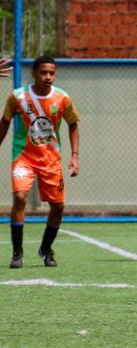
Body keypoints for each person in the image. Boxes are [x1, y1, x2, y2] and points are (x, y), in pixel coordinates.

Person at [0, 55, 80, 268]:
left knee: (58, 207)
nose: (47, 76)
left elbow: (73, 124)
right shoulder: (18, 96)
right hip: (23, 157)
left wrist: (74, 156)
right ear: (34, 73)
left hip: (51, 159)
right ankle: (17, 252)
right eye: (43, 72)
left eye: (51, 73)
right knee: (20, 197)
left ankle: (46, 248)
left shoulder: (62, 98)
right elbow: (5, 121)